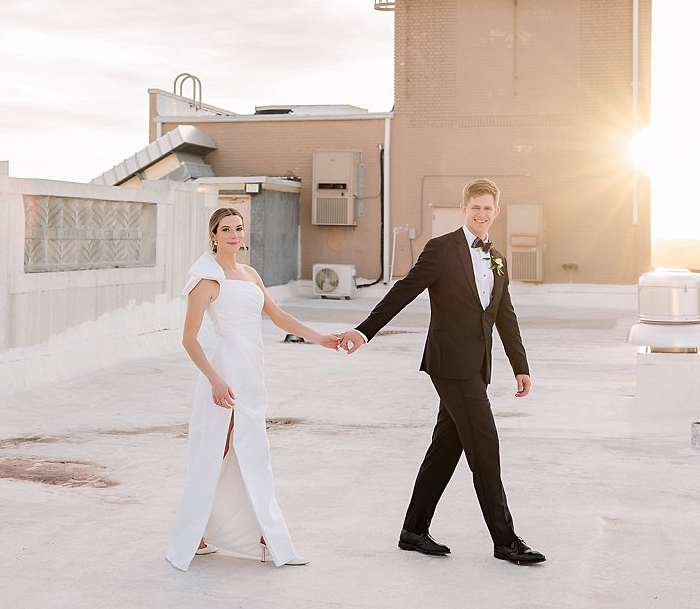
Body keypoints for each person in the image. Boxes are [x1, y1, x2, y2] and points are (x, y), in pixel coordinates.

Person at [338, 178, 544, 565]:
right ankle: (506, 540)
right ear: (463, 209)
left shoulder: (496, 257)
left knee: (445, 451)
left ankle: (413, 531)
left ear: (495, 213)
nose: (482, 214)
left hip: (477, 366)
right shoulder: (441, 249)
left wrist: (521, 366)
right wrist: (364, 331)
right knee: (485, 449)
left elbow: (504, 315)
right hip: (450, 365)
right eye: (475, 207)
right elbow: (404, 291)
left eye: (488, 208)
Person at [166, 207, 342, 571]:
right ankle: (247, 533)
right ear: (213, 235)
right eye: (225, 229)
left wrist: (320, 338)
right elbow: (189, 339)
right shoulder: (207, 279)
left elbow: (279, 317)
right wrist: (215, 379)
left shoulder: (250, 274)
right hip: (225, 372)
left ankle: (216, 531)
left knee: (241, 449)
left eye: (239, 228)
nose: (234, 234)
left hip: (251, 371)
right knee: (225, 450)